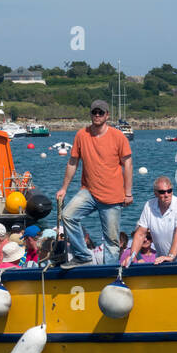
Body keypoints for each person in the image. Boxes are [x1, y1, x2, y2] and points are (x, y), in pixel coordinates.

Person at [56, 99, 133, 266]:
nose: (97, 115)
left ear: (107, 115)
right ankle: (83, 256)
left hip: (113, 196)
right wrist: (64, 189)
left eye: (101, 112)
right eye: (94, 112)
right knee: (68, 215)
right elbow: (72, 162)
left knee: (111, 241)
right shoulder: (81, 135)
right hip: (89, 191)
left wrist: (128, 193)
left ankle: (110, 274)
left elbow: (128, 163)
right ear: (90, 114)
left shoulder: (118, 136)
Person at [126, 175, 177, 265]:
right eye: (162, 192)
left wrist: (170, 256)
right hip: (163, 260)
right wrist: (132, 257)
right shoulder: (149, 205)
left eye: (169, 191)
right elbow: (140, 234)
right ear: (155, 193)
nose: (166, 195)